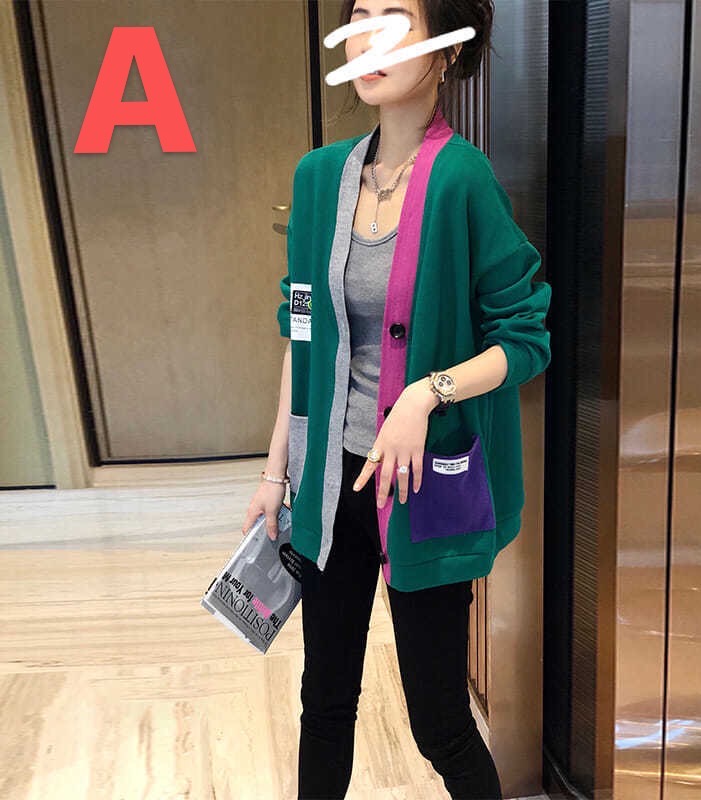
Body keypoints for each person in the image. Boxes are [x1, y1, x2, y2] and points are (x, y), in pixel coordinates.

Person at [243, 0, 551, 797]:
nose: (369, 38)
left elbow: (525, 338)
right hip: (330, 482)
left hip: (423, 486)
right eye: (360, 17)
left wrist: (426, 393)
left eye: (397, 19)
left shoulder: (463, 181)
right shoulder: (318, 179)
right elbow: (302, 333)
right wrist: (276, 473)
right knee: (324, 701)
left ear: (446, 51)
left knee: (439, 720)